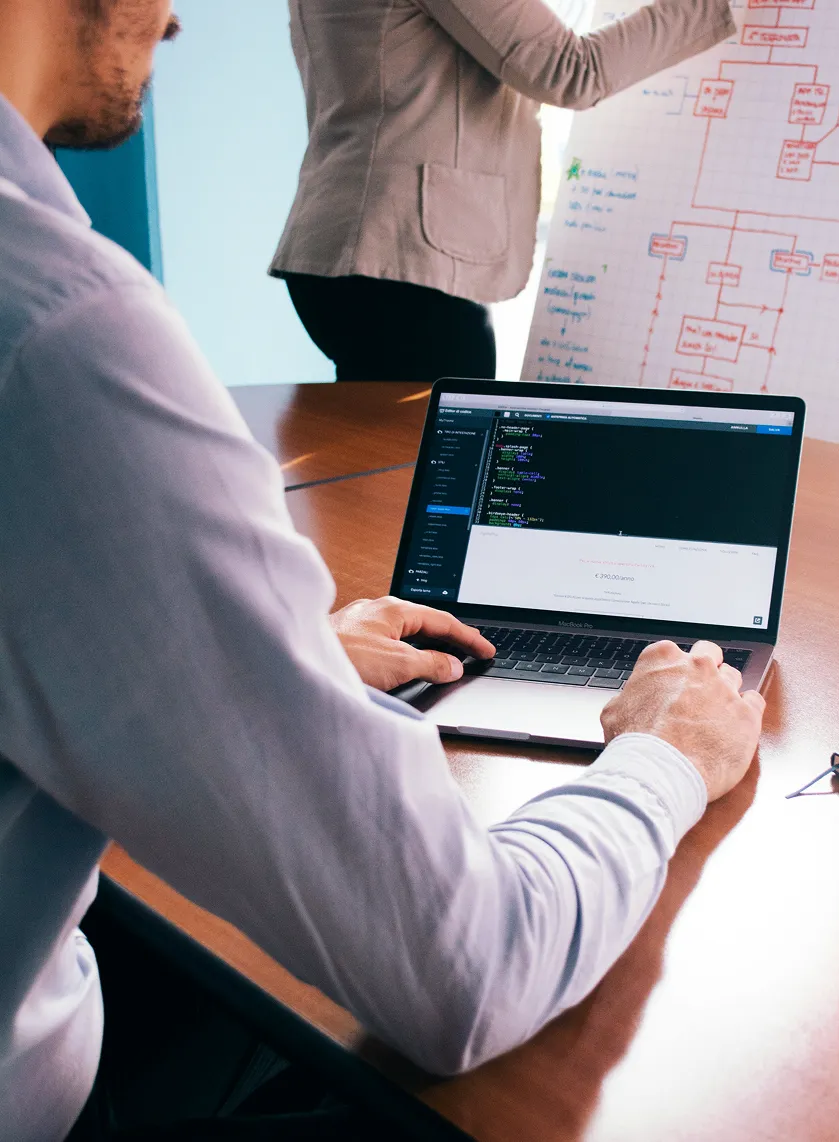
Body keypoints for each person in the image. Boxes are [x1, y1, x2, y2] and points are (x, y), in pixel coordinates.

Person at [0, 1, 766, 1139]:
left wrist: (269, 652)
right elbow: (470, 965)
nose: (178, 19)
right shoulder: (58, 336)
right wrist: (664, 755)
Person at [271, 0, 738, 382]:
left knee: (380, 478)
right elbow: (571, 69)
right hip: (404, 265)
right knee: (436, 479)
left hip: (337, 253)